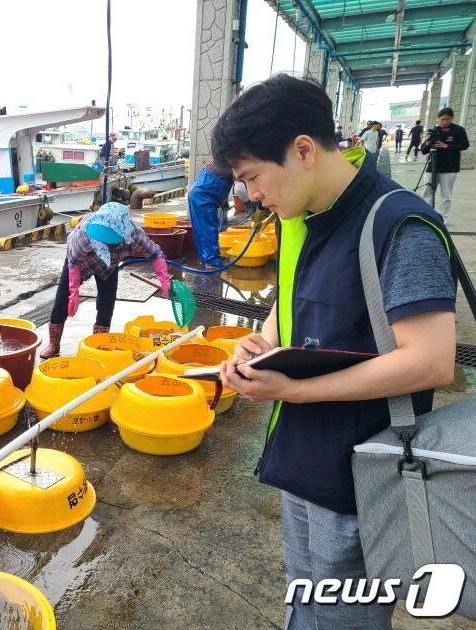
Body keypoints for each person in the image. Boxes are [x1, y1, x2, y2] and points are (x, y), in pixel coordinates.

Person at [211, 73, 456, 630]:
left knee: (345, 615)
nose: (251, 195)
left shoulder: (399, 224)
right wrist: (259, 345)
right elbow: (287, 307)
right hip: (303, 455)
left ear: (302, 151)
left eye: (252, 177)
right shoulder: (301, 220)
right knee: (307, 601)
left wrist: (296, 389)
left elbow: (432, 360)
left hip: (362, 472)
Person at [39, 202, 170, 359]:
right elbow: (73, 262)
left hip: (109, 266)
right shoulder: (84, 234)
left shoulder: (134, 235)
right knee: (62, 300)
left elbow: (155, 253)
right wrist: (73, 292)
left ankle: (99, 344)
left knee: (106, 304)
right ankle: (54, 344)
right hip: (82, 264)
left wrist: (163, 278)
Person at [420, 106, 470, 220]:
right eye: (442, 119)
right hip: (433, 166)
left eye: (447, 119)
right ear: (438, 119)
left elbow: (465, 145)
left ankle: (443, 217)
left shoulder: (459, 130)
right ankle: (427, 215)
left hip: (450, 168)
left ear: (451, 119)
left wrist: (447, 146)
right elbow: (423, 151)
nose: (444, 122)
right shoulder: (434, 130)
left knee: (446, 194)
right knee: (427, 192)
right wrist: (428, 141)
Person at [186, 162, 234, 267]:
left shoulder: (225, 161)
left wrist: (224, 201)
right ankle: (211, 263)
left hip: (203, 193)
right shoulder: (234, 162)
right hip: (202, 197)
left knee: (209, 229)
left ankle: (212, 259)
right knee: (207, 231)